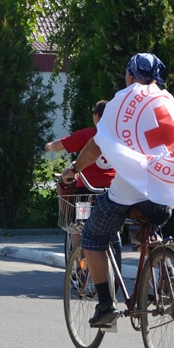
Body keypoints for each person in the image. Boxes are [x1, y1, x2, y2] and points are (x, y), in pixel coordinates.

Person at [61, 53, 174, 328]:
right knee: (148, 223)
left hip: (130, 190)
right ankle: (164, 268)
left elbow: (97, 145)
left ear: (130, 76)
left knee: (93, 237)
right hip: (166, 191)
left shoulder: (121, 102)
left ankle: (106, 307)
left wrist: (75, 168)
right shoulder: (166, 101)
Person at [46, 100, 117, 248]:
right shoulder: (120, 136)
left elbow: (61, 144)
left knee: (77, 224)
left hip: (86, 192)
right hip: (113, 191)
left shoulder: (88, 134)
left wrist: (49, 146)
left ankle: (79, 263)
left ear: (96, 116)